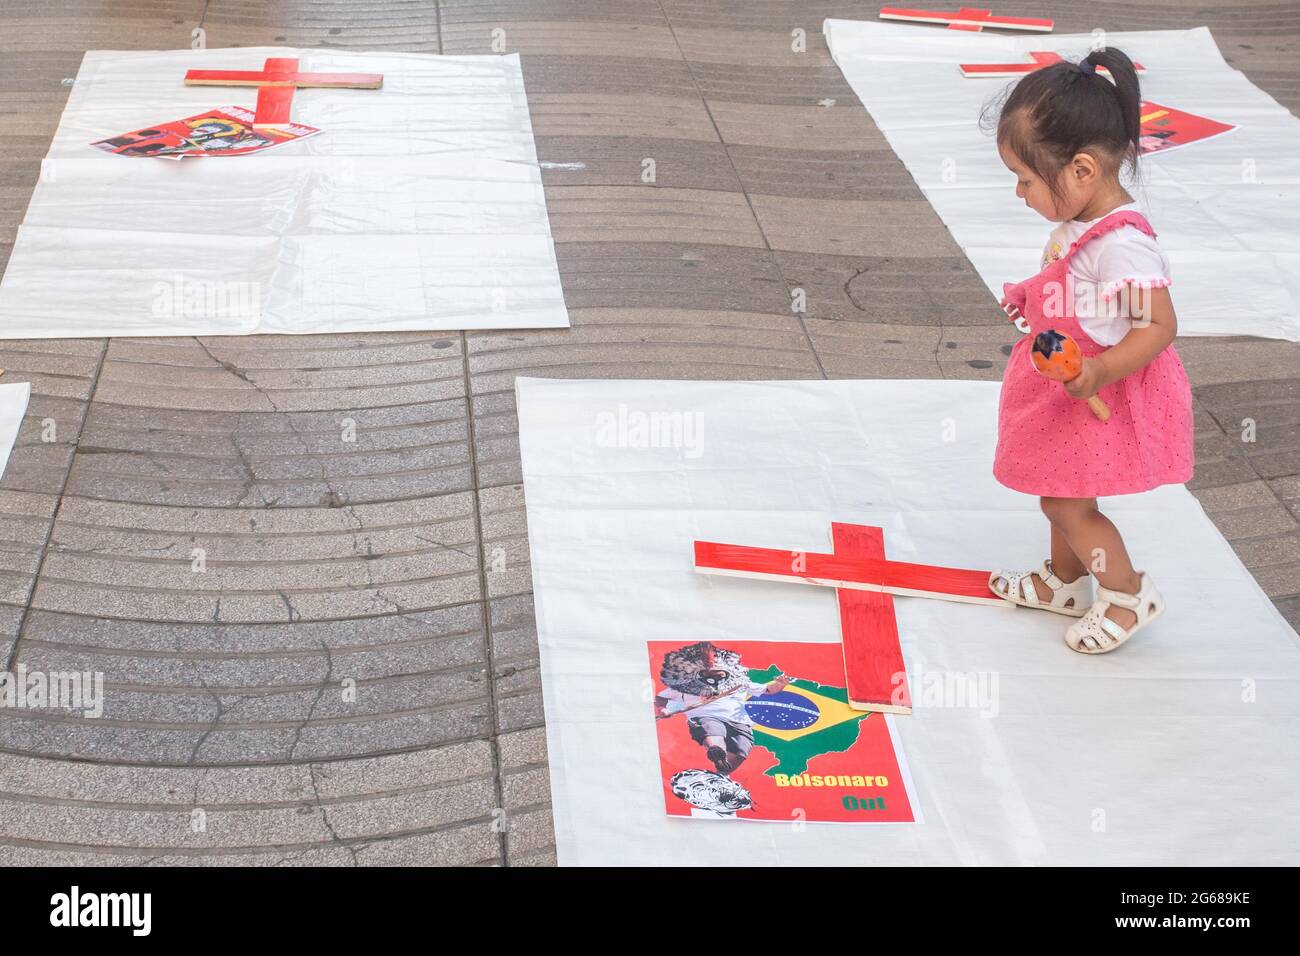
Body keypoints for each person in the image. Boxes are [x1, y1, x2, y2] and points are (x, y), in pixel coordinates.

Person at [984, 47, 1193, 654]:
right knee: (1056, 487)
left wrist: (1099, 368)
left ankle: (1127, 594)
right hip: (1065, 390)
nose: (1019, 192)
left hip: (1099, 392)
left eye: (1026, 178)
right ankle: (1067, 581)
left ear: (1081, 170)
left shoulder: (1123, 245)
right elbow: (1070, 288)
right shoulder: (1081, 225)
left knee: (1070, 502)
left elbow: (1158, 326)